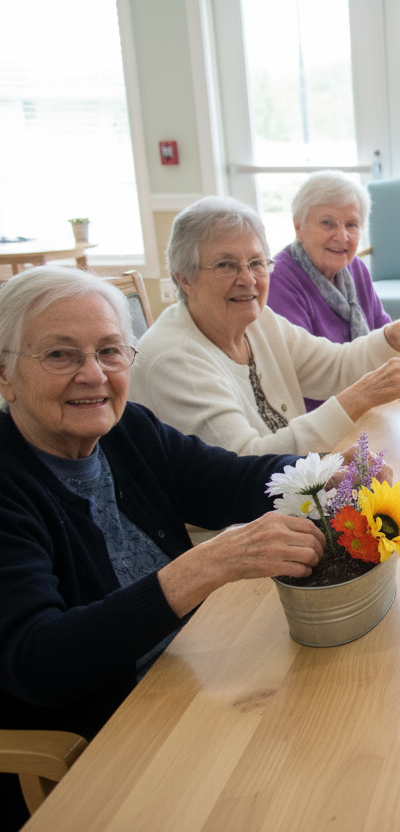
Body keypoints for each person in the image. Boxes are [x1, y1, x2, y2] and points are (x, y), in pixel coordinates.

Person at [0, 267, 325, 829]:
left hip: (187, 678)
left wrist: (334, 475)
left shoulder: (128, 432)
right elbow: (40, 662)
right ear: (4, 374)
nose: (93, 375)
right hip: (103, 746)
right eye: (60, 355)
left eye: (109, 351)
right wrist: (202, 568)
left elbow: (234, 481)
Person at [130, 195, 400, 456]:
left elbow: (334, 365)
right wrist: (362, 394)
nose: (247, 279)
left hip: (284, 501)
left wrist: (397, 335)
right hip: (228, 532)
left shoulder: (257, 321)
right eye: (226, 265)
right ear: (184, 278)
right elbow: (247, 463)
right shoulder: (174, 361)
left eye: (257, 263)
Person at [267, 170, 390, 411]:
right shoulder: (278, 281)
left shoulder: (356, 268)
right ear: (299, 227)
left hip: (370, 400)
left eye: (351, 225)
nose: (342, 236)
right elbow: (306, 372)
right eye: (327, 223)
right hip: (320, 417)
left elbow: (383, 329)